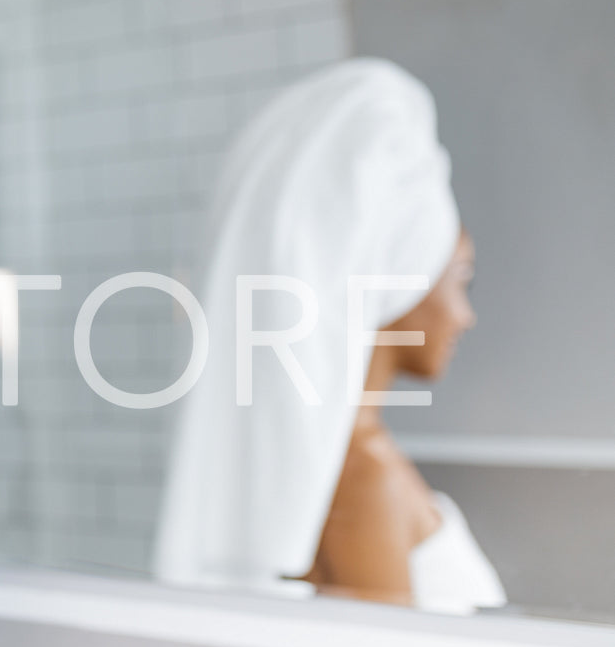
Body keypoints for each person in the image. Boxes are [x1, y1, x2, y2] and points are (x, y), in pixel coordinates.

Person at [153, 57, 507, 615]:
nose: (466, 316)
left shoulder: (352, 465)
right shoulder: (364, 482)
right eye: (460, 277)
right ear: (396, 276)